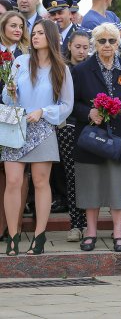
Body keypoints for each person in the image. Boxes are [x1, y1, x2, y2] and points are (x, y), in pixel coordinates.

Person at [3, 19, 73, 256]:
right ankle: (13, 236)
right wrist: (10, 91)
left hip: (43, 129)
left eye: (40, 33)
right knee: (13, 181)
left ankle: (39, 236)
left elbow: (66, 105)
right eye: (33, 33)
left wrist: (44, 111)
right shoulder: (20, 62)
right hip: (16, 128)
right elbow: (7, 98)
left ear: (51, 37)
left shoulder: (61, 69)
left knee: (40, 182)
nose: (34, 37)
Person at [72, 23, 121, 253]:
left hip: (119, 135)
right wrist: (88, 112)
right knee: (90, 183)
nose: (107, 46)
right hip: (91, 134)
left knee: (116, 184)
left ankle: (118, 233)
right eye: (102, 41)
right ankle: (91, 233)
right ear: (95, 44)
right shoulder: (82, 70)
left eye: (112, 41)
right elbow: (71, 103)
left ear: (117, 44)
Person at [58, 30, 91, 242]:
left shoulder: (91, 68)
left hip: (89, 127)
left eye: (85, 47)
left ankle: (89, 224)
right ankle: (75, 224)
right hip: (67, 127)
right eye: (77, 46)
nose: (81, 51)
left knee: (89, 176)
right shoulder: (61, 68)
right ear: (69, 46)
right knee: (72, 177)